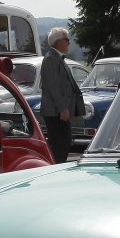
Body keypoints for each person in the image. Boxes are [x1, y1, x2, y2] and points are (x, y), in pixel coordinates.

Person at [39, 27, 85, 164]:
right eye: (66, 39)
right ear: (58, 41)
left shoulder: (57, 57)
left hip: (58, 112)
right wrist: (63, 109)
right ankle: (56, 168)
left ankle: (57, 165)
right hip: (55, 112)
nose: (69, 42)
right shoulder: (51, 59)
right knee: (60, 144)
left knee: (64, 142)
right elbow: (53, 87)